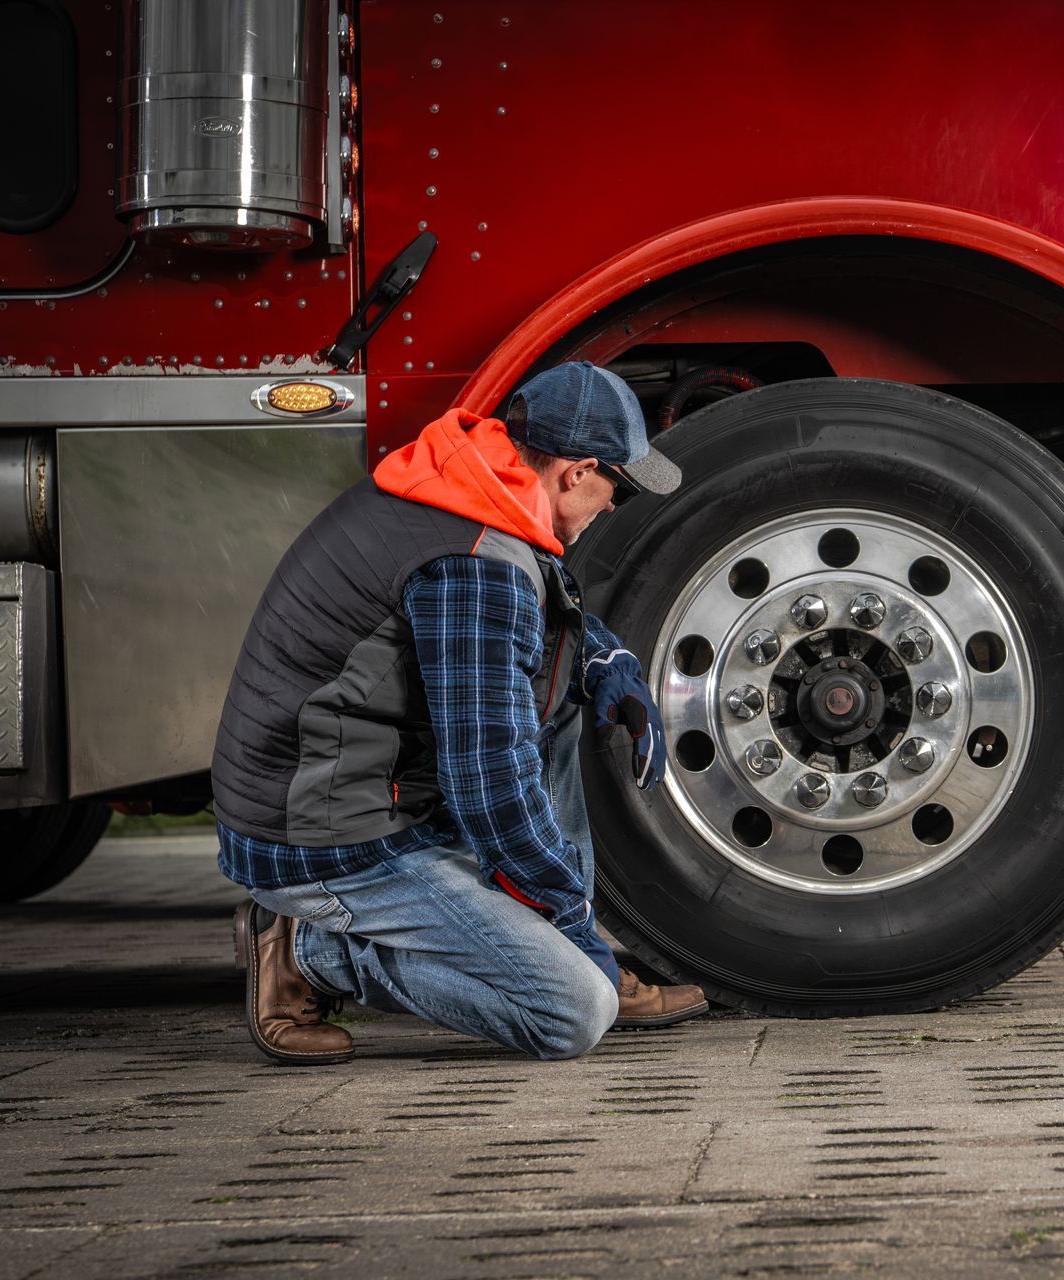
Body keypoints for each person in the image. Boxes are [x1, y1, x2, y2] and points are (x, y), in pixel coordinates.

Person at [211, 361, 708, 1065]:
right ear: (576, 472)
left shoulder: (467, 487)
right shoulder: (476, 564)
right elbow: (489, 785)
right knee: (572, 1011)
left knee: (563, 699)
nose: (610, 507)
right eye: (615, 490)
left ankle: (569, 950)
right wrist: (570, 919)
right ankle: (313, 948)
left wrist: (602, 658)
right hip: (329, 842)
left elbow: (526, 635)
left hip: (331, 796)